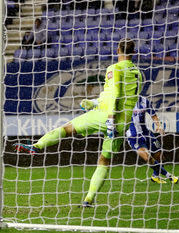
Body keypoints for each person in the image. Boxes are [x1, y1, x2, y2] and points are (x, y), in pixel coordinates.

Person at [14, 38, 142, 207]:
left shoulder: (114, 68)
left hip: (106, 116)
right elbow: (126, 98)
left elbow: (115, 95)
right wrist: (93, 102)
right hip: (122, 124)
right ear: (133, 52)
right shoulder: (138, 73)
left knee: (67, 129)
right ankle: (89, 198)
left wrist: (109, 119)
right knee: (104, 160)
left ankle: (37, 146)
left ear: (118, 50)